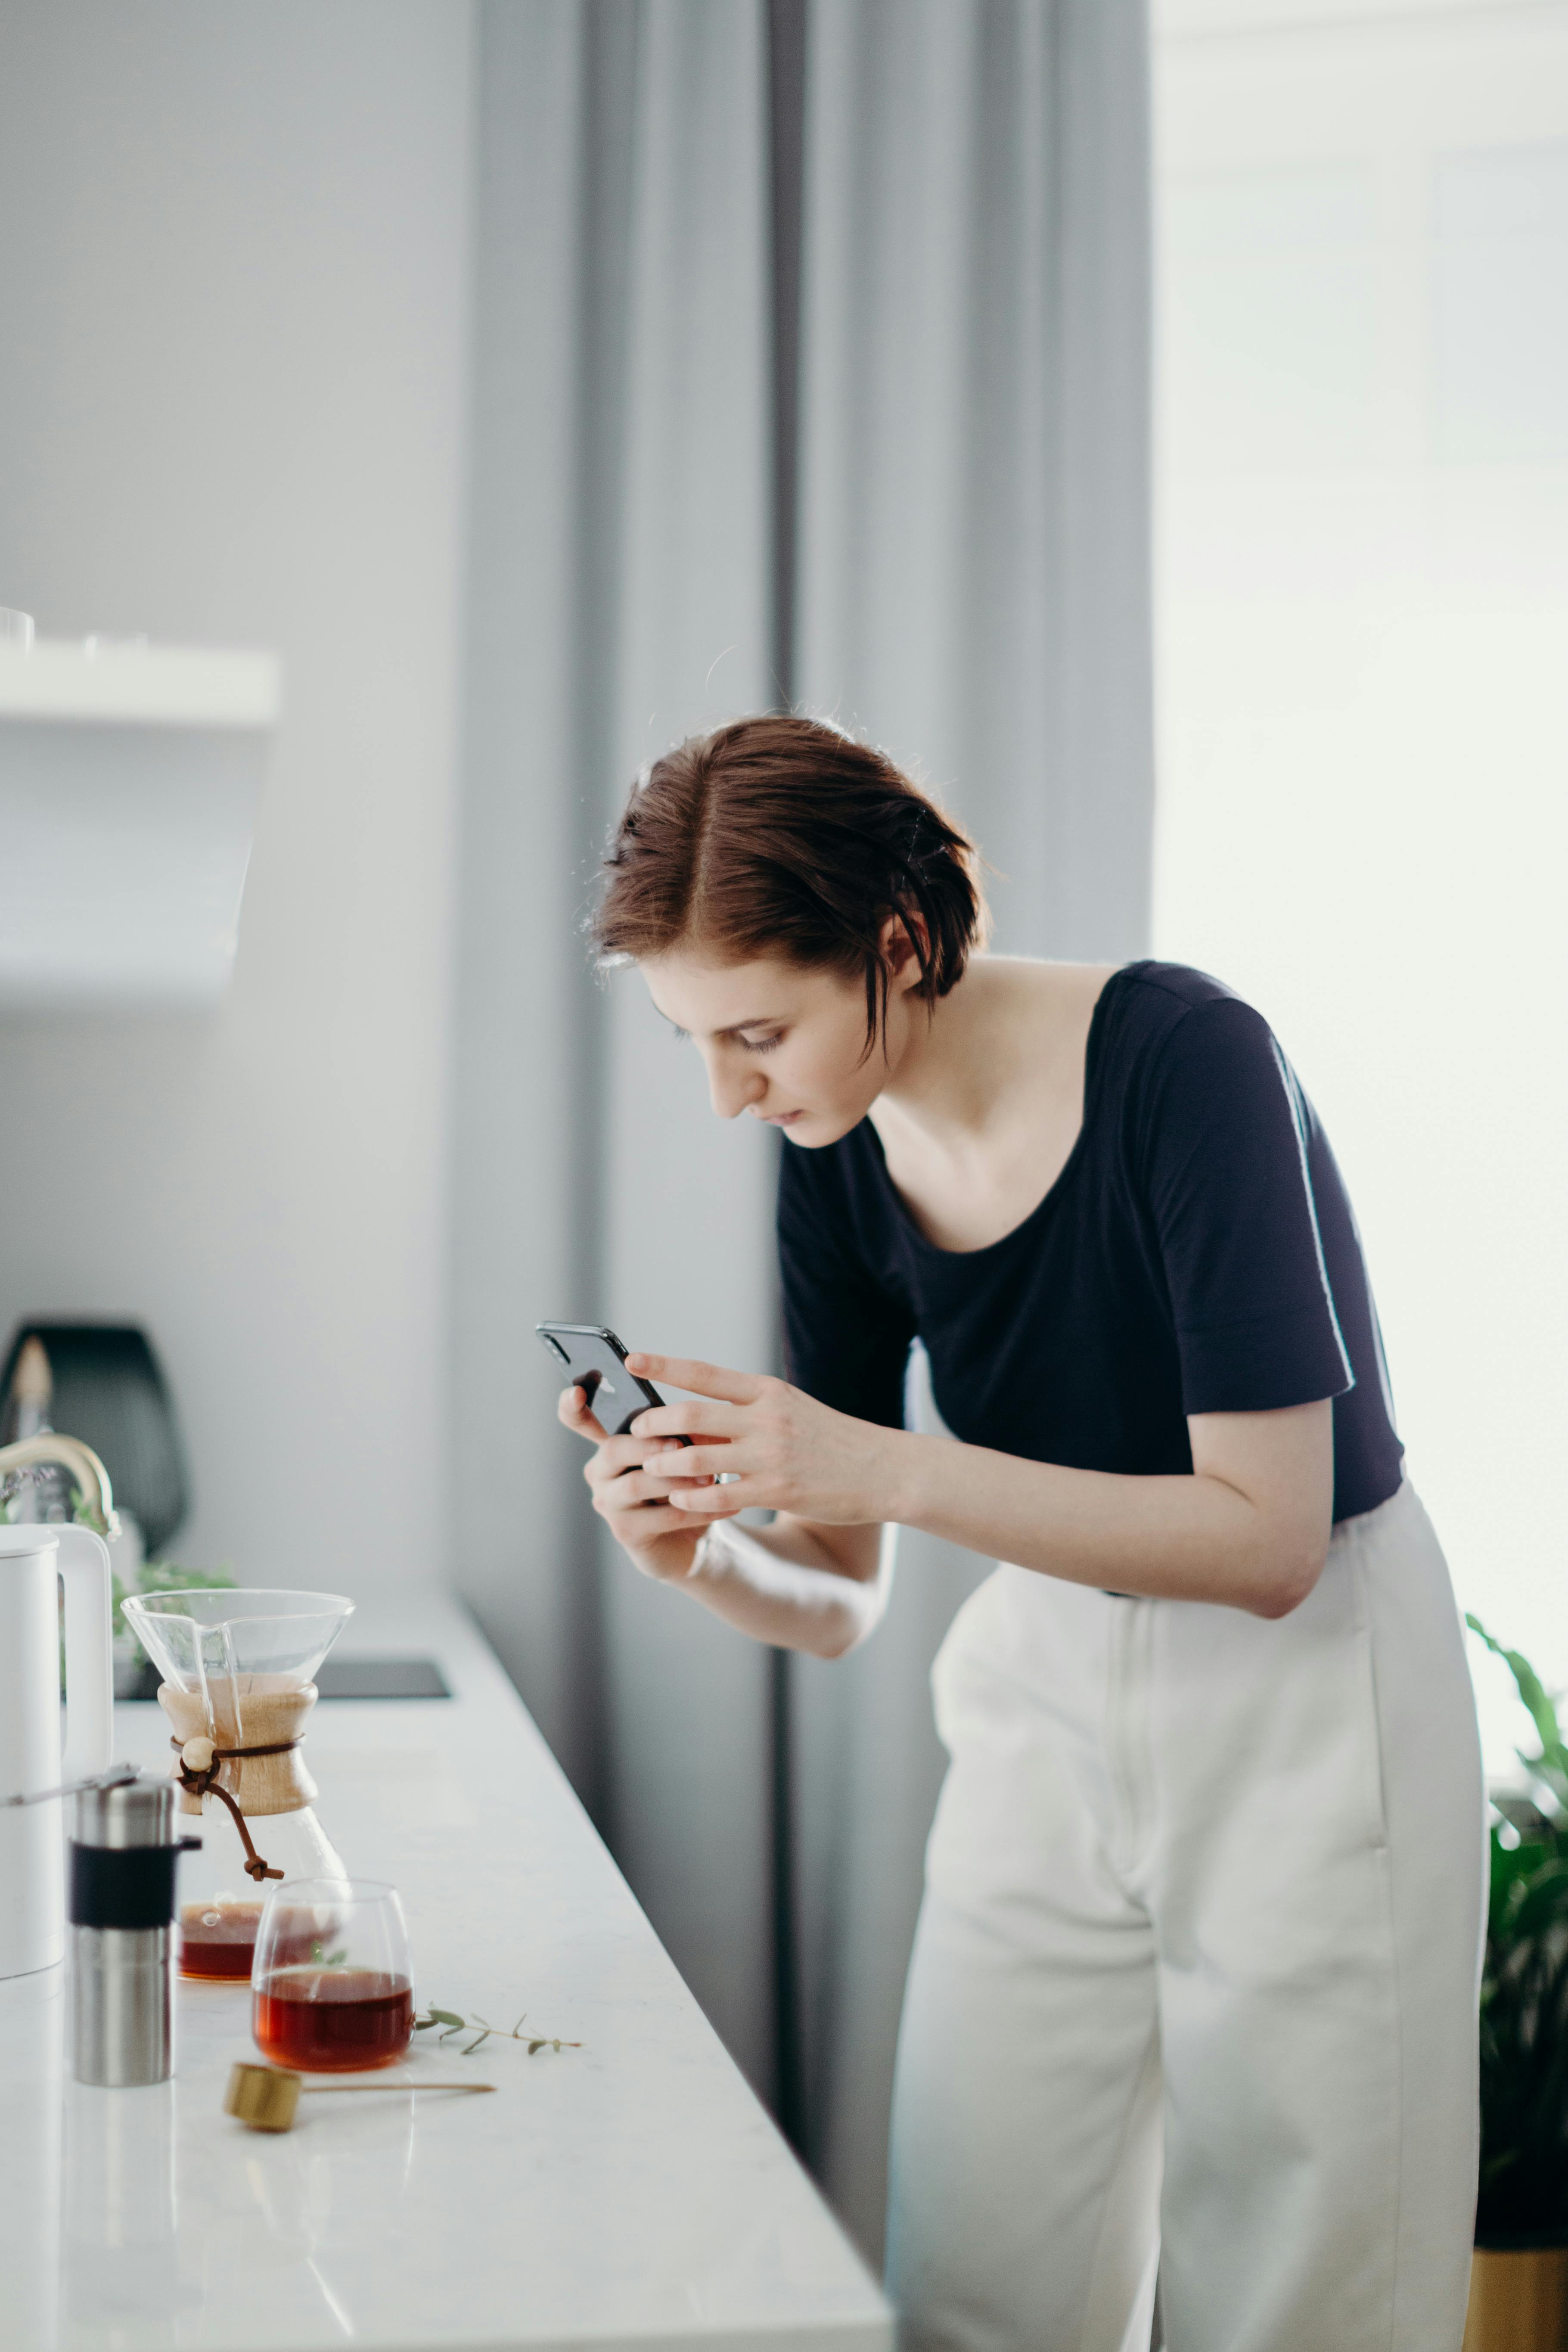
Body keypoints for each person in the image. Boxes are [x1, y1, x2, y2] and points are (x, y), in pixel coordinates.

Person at [558, 714, 1485, 2352]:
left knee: (1298, 2300)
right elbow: (841, 1605)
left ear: (897, 944)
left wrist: (881, 1468)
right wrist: (697, 1556)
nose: (727, 1093)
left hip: (1309, 1704)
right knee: (975, 2286)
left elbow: (1264, 1542)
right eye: (698, 1043)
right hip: (1041, 1694)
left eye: (755, 1032)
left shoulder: (1184, 1063)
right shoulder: (833, 1152)